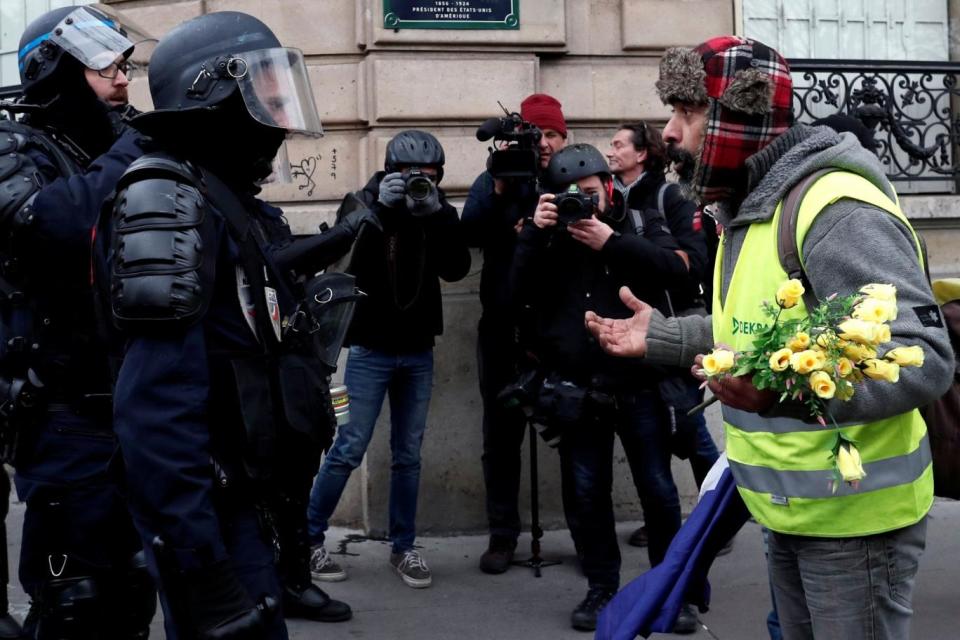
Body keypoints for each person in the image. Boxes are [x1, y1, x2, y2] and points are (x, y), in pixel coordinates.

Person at [585, 36, 954, 640]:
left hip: (853, 520)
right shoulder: (748, 210)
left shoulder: (835, 208)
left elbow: (924, 356)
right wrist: (667, 337)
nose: (670, 133)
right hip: (787, 508)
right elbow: (753, 337)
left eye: (689, 113)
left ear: (739, 113)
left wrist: (782, 396)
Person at [98, 11, 361, 637]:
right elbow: (152, 413)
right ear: (214, 99)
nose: (276, 111)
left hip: (243, 501)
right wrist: (200, 566)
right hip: (208, 516)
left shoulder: (222, 200)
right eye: (264, 92)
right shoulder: (169, 201)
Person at [6, 7, 157, 638]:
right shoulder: (15, 146)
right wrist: (132, 147)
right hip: (63, 412)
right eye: (104, 65)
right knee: (78, 599)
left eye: (124, 64)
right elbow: (49, 224)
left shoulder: (115, 149)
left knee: (133, 589)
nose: (123, 79)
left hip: (133, 401)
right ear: (55, 69)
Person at [510, 143, 693, 632]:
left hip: (641, 383)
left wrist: (609, 241)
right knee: (586, 493)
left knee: (658, 490)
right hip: (578, 388)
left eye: (589, 194)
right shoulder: (548, 237)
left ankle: (670, 589)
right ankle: (601, 587)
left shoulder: (635, 223)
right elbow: (513, 298)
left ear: (608, 188)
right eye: (568, 197)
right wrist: (534, 234)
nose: (581, 205)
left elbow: (676, 267)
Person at [307, 131, 470, 589]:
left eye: (430, 176)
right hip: (370, 350)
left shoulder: (439, 210)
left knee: (408, 455)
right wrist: (378, 209)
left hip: (418, 350)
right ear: (390, 170)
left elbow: (456, 268)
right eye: (410, 175)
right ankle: (307, 537)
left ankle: (404, 548)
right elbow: (339, 263)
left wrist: (434, 215)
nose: (420, 182)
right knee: (349, 447)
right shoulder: (361, 202)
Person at [461, 93, 568, 574]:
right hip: (502, 328)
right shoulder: (494, 178)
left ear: (564, 137)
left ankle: (588, 533)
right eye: (536, 134)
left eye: (551, 134)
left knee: (574, 431)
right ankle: (502, 534)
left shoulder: (570, 177)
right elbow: (469, 235)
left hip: (558, 327)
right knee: (500, 436)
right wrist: (502, 192)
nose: (543, 144)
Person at [607, 123, 718, 562]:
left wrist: (620, 244)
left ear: (641, 154)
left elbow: (692, 264)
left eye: (618, 144)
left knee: (691, 430)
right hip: (634, 342)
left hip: (675, 333)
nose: (610, 151)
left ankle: (719, 516)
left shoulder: (669, 197)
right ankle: (677, 527)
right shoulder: (613, 198)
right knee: (668, 444)